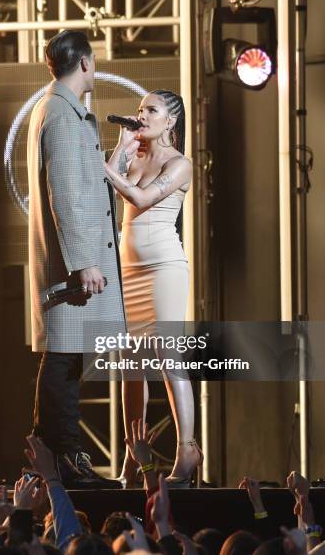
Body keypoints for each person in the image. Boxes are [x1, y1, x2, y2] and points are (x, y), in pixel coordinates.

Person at [27, 30, 137, 489]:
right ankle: (64, 457)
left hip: (72, 261)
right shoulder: (61, 114)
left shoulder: (63, 111)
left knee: (67, 359)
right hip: (71, 266)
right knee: (63, 360)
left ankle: (47, 454)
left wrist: (122, 155)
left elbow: (85, 182)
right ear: (86, 64)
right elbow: (67, 196)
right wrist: (83, 261)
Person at [104, 90, 202, 488]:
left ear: (171, 121)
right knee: (131, 367)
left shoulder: (180, 164)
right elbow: (107, 193)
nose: (141, 115)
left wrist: (104, 167)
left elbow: (141, 197)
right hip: (128, 269)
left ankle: (188, 449)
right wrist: (117, 150)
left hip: (163, 267)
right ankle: (133, 457)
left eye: (151, 110)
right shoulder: (135, 155)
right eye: (140, 108)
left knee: (168, 357)